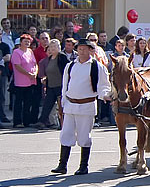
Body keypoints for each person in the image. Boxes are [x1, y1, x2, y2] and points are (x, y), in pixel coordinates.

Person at [51, 39, 112, 175]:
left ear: (91, 50)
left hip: (87, 105)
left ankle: (83, 166)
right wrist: (64, 102)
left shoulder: (97, 67)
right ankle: (62, 165)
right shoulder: (71, 65)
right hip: (70, 105)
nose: (82, 51)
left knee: (84, 137)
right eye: (79, 49)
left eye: (85, 49)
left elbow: (103, 86)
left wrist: (105, 96)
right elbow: (65, 85)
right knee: (66, 134)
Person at [35, 39, 68, 130]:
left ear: (59, 47)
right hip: (51, 85)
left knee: (61, 106)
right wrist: (46, 78)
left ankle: (63, 124)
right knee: (47, 104)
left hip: (60, 86)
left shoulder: (62, 57)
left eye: (54, 46)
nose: (52, 48)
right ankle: (42, 121)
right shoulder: (50, 58)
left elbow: (66, 71)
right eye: (51, 47)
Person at [11, 33, 39, 128]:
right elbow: (17, 66)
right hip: (20, 82)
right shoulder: (16, 52)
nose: (27, 43)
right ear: (21, 42)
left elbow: (35, 63)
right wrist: (28, 74)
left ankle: (26, 121)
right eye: (25, 41)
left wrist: (35, 73)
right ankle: (17, 122)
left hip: (30, 81)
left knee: (28, 102)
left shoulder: (30, 51)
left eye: (28, 41)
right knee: (19, 102)